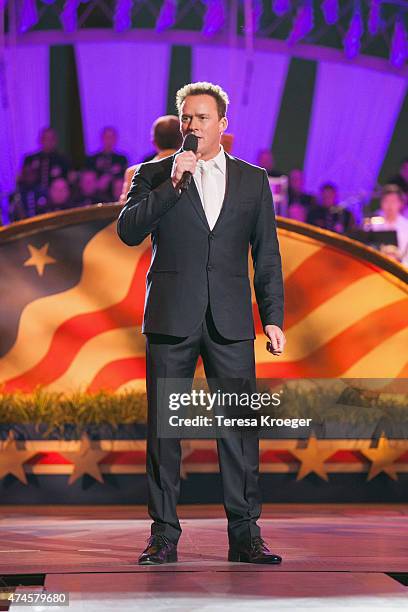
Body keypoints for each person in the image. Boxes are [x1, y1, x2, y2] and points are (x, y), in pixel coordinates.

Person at [117, 81, 285, 565]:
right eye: (187, 118)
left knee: (238, 427)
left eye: (203, 118)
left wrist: (272, 316)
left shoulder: (253, 180)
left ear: (223, 124)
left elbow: (267, 254)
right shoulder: (152, 174)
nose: (193, 126)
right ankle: (164, 535)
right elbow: (129, 231)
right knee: (166, 432)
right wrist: (172, 184)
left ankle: (245, 533)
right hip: (172, 316)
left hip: (231, 319)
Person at [120, 115, 183, 204]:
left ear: (154, 142)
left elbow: (125, 210)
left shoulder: (133, 172)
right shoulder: (196, 170)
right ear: (182, 140)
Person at [86, 127, 128, 196]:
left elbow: (124, 176)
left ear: (115, 139)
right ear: (102, 138)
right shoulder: (93, 159)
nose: (109, 140)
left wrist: (108, 177)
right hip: (96, 188)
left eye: (111, 137)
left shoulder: (121, 159)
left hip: (114, 189)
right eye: (107, 137)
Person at [373, 184, 408, 266]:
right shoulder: (373, 223)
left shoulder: (406, 226)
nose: (389, 205)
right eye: (386, 201)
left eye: (393, 201)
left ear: (401, 203)